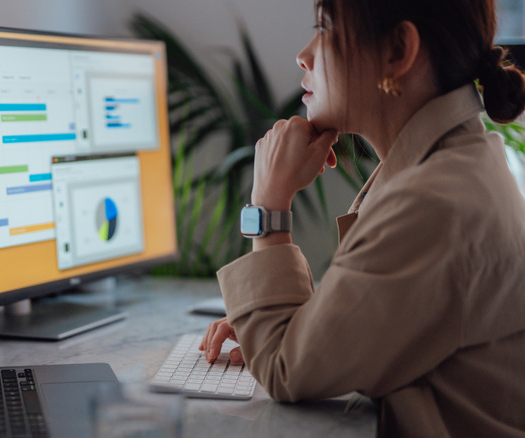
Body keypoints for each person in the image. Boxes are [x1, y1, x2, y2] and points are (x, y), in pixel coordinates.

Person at [199, 0, 525, 436]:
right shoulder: (454, 163)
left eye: (324, 28)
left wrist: (268, 202)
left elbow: (283, 371)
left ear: (397, 51)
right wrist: (290, 321)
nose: (304, 53)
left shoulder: (433, 201)